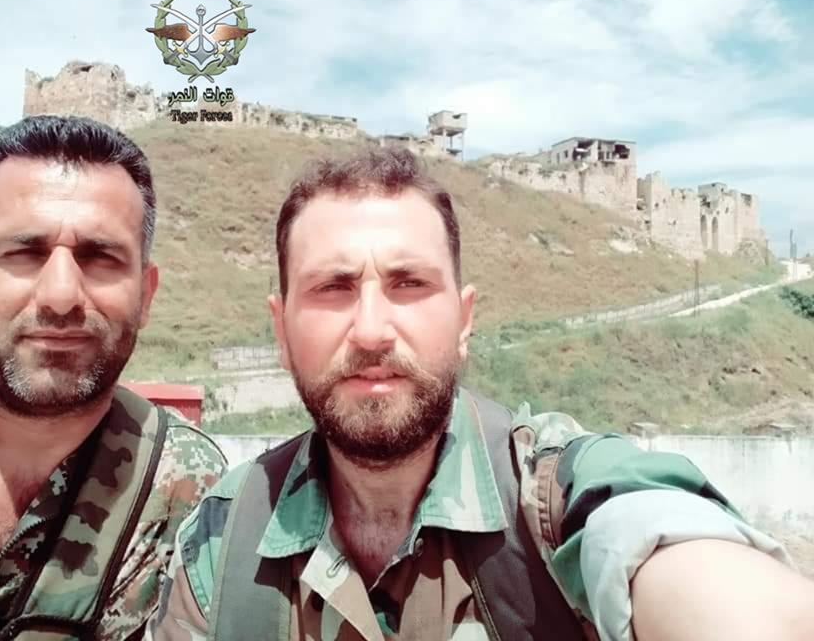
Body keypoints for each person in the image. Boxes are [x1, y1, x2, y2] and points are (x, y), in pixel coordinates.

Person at [148, 147, 814, 641]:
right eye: (332, 288)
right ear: (281, 329)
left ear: (464, 321)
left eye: (410, 284)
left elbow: (677, 558)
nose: (372, 330)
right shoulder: (222, 540)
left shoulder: (555, 499)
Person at [0, 115, 226, 641]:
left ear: (146, 295)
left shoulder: (189, 492)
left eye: (100, 257)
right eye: (25, 253)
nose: (60, 296)